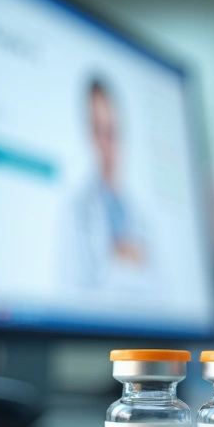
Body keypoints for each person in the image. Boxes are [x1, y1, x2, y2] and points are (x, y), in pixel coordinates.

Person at [61, 77, 154, 291]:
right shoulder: (74, 207)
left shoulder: (143, 216)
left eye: (112, 132)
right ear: (89, 134)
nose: (106, 145)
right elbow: (70, 286)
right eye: (98, 132)